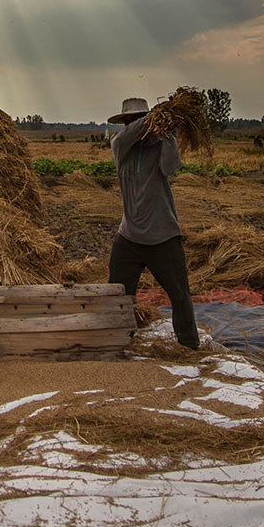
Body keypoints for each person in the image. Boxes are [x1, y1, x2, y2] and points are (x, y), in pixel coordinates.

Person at [106, 97, 200, 349]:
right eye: (131, 120)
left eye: (138, 119)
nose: (134, 124)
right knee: (118, 294)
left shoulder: (159, 145)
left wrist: (167, 133)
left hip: (164, 236)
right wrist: (156, 115)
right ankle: (117, 341)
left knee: (179, 295)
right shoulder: (120, 145)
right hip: (128, 237)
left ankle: (189, 346)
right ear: (126, 123)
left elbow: (170, 168)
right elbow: (130, 135)